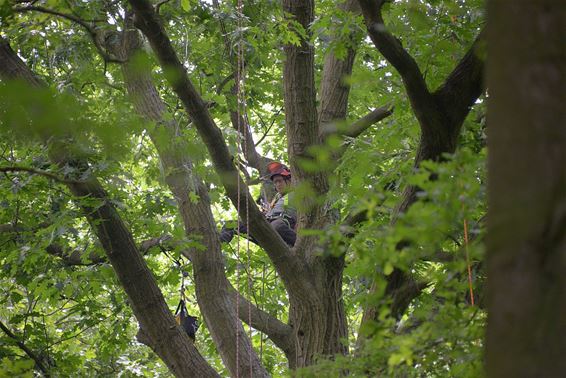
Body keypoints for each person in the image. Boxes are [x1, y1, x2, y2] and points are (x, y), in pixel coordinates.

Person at [219, 162, 297, 247]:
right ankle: (218, 247)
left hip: (281, 224)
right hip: (266, 225)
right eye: (275, 182)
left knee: (277, 226)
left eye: (280, 181)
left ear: (289, 181)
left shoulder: (298, 192)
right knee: (230, 225)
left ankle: (300, 246)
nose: (277, 185)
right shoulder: (276, 199)